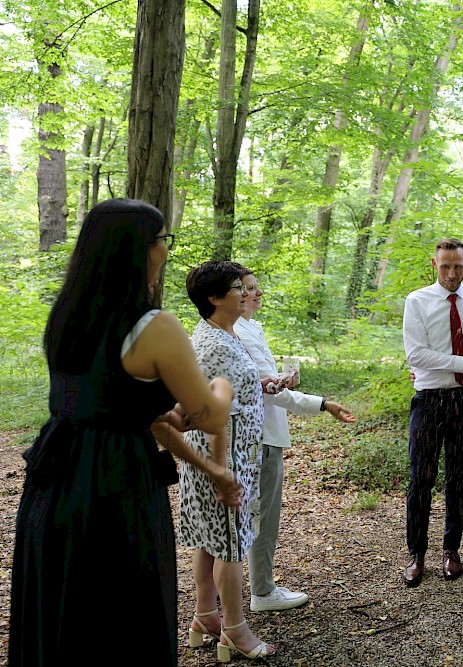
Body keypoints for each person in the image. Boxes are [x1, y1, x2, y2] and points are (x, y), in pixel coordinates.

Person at [8, 199, 237, 667]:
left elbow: (117, 402)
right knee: (122, 612)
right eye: (162, 241)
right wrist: (223, 385)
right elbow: (209, 417)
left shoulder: (67, 319)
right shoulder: (154, 326)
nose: (166, 252)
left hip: (53, 478)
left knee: (61, 612)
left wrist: (187, 440)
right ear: (141, 249)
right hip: (114, 484)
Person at [235, 271, 357, 611]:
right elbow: (269, 392)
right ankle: (262, 590)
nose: (258, 292)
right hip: (260, 437)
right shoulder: (238, 333)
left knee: (257, 515)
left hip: (261, 433)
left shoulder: (249, 328)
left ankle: (250, 589)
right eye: (248, 288)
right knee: (263, 516)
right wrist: (322, 403)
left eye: (256, 286)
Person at [179, 260, 276, 662]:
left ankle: (205, 616)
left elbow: (237, 392)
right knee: (232, 546)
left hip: (229, 457)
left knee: (210, 539)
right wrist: (224, 475)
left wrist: (264, 384)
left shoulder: (225, 334)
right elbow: (217, 418)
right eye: (236, 287)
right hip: (224, 457)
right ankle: (235, 629)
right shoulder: (215, 345)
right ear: (214, 298)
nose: (245, 292)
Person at [401, 238, 463, 586]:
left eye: (458, 266)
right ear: (434, 264)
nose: (452, 273)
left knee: (458, 478)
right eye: (445, 266)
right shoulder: (418, 301)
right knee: (420, 479)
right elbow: (416, 355)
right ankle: (416, 554)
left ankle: (451, 551)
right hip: (428, 401)